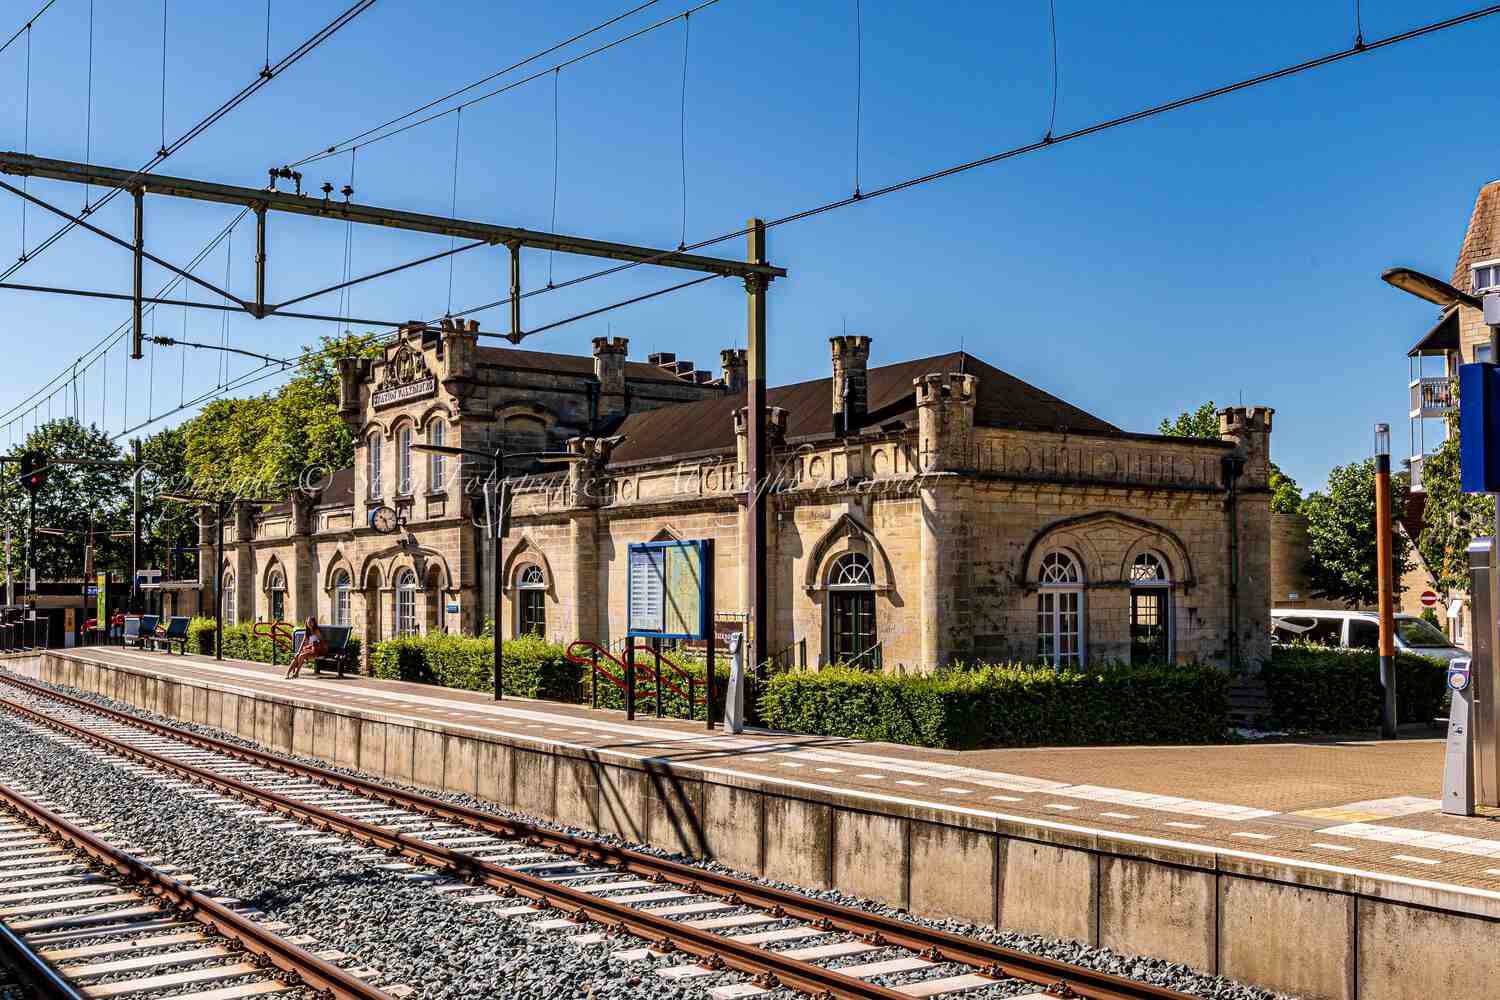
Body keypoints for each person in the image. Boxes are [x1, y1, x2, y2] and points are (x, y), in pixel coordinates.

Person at [286, 615, 326, 679]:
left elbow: (321, 641)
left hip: (317, 650)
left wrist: (315, 643)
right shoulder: (307, 631)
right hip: (310, 648)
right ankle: (287, 673)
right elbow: (303, 642)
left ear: (314, 623)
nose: (309, 624)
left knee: (302, 656)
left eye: (311, 622)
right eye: (308, 622)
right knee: (297, 656)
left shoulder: (316, 630)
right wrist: (298, 651)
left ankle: (296, 673)